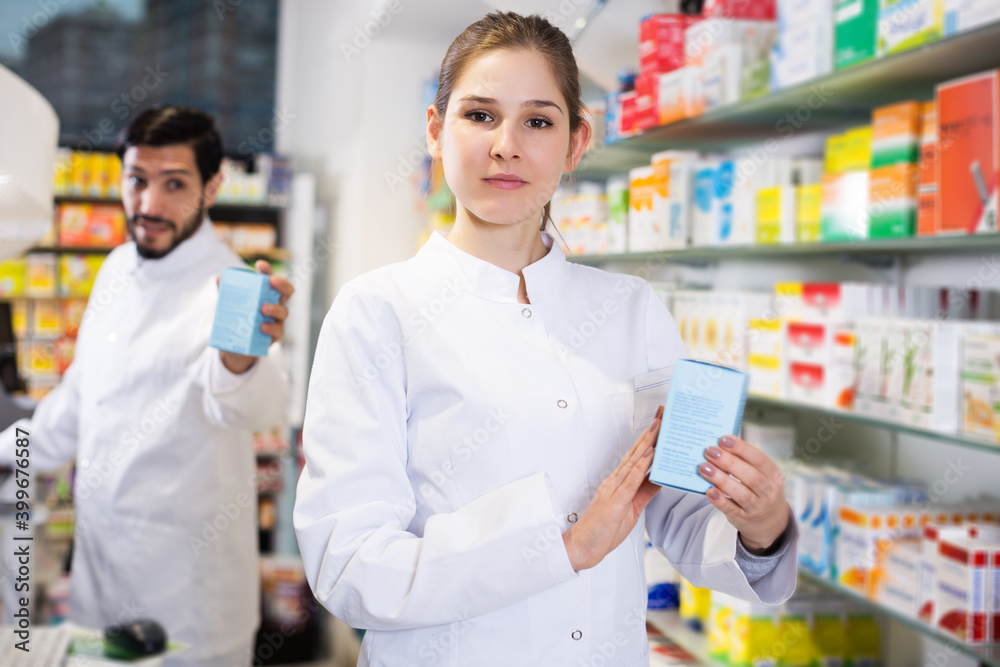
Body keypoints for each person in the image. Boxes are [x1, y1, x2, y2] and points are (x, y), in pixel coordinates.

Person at [293, 12, 796, 666]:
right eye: (479, 115)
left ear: (575, 142)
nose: (506, 145)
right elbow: (350, 562)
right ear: (434, 129)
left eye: (537, 120)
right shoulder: (377, 312)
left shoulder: (632, 310)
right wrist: (562, 544)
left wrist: (761, 525)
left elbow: (673, 511)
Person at [0, 106, 293, 667]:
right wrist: (9, 453)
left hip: (187, 604)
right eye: (137, 180)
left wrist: (240, 362)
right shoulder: (114, 269)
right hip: (99, 585)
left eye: (175, 184)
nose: (150, 205)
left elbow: (258, 405)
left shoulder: (225, 290)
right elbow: (78, 406)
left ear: (212, 186)